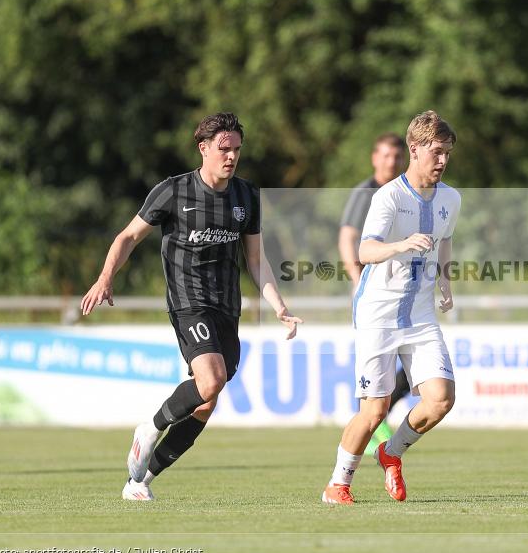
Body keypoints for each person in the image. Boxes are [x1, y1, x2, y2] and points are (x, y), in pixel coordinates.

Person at [81, 112, 302, 501]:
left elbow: (256, 259)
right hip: (188, 302)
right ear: (204, 149)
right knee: (211, 379)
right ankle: (149, 427)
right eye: (224, 149)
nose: (231, 157)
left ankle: (139, 483)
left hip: (226, 307)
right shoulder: (174, 191)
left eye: (236, 149)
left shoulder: (247, 196)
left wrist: (278, 306)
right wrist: (105, 277)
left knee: (206, 402)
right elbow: (128, 236)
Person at [322, 111, 460, 505]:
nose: (443, 160)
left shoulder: (451, 198)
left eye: (447, 153)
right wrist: (400, 245)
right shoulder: (389, 196)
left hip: (419, 314)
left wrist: (445, 284)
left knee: (441, 399)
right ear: (414, 150)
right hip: (378, 314)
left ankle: (391, 452)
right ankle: (337, 484)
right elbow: (365, 249)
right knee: (375, 409)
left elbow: (445, 240)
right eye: (436, 152)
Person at [338, 133, 411, 455]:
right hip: (373, 290)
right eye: (385, 156)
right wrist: (356, 278)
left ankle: (376, 418)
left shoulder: (408, 192)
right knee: (375, 359)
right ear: (374, 158)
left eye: (396, 156)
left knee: (413, 369)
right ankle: (371, 424)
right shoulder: (365, 192)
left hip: (406, 291)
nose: (391, 161)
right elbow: (347, 238)